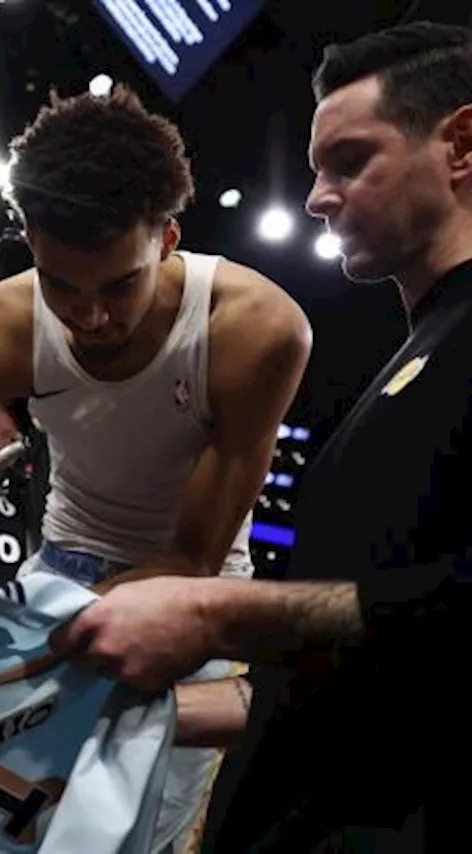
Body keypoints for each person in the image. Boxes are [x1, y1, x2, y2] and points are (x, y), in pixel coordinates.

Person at [43, 22, 472, 853]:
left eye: (350, 161)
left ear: (461, 145)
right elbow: (360, 660)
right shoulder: (418, 355)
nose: (315, 196)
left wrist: (216, 611)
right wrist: (132, 706)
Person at [0, 85, 311, 854]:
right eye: (61, 284)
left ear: (167, 238)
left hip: (193, 595)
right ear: (29, 237)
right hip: (60, 566)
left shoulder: (256, 328)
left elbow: (192, 558)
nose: (90, 318)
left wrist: (31, 657)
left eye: (118, 285)